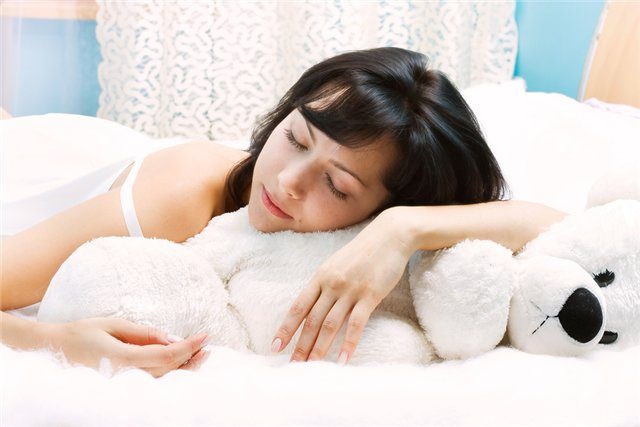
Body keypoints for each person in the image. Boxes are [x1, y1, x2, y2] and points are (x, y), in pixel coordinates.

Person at [0, 47, 568, 376]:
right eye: (296, 137)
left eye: (336, 185)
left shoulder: (385, 224)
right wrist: (56, 341)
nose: (287, 181)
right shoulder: (183, 197)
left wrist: (402, 231)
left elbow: (552, 224)